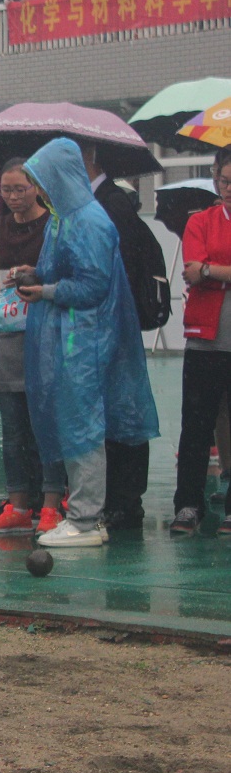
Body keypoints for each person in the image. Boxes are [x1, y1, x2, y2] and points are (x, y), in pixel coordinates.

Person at [19, 138, 159, 547]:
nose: (38, 191)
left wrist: (46, 291)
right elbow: (66, 270)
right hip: (73, 339)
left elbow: (93, 286)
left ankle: (85, 519)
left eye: (41, 181)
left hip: (86, 340)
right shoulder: (65, 218)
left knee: (84, 427)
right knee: (76, 424)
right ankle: (82, 513)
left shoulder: (89, 221)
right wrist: (35, 275)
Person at [0, 160, 66, 534]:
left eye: (20, 189)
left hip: (45, 337)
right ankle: (19, 504)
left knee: (47, 426)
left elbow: (70, 272)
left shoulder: (54, 227)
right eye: (5, 190)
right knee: (12, 430)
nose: (12, 197)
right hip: (6, 337)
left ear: (36, 188)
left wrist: (37, 275)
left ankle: (52, 505)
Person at [87, 146, 168, 529]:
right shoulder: (109, 201)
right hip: (115, 321)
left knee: (121, 412)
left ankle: (124, 498)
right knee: (118, 410)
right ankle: (121, 496)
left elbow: (120, 267)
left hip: (115, 322)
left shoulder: (110, 204)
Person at [171, 146, 231, 535]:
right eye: (224, 180)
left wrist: (211, 270)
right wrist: (210, 271)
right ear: (215, 178)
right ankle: (188, 505)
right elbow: (192, 268)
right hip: (205, 340)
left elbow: (203, 270)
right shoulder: (200, 221)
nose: (229, 188)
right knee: (195, 426)